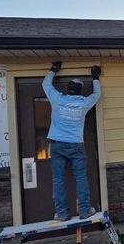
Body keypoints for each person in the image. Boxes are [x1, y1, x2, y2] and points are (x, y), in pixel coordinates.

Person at [43, 61, 102, 221]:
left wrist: (53, 70)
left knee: (58, 179)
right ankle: (84, 211)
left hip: (57, 145)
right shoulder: (83, 104)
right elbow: (97, 95)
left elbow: (45, 84)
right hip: (76, 144)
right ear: (80, 92)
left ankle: (62, 213)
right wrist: (95, 78)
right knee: (81, 177)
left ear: (68, 90)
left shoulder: (57, 99)